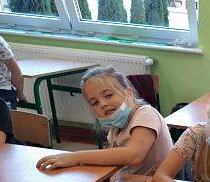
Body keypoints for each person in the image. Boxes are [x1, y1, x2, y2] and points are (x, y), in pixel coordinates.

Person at [36, 67, 173, 175]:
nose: (102, 104)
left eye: (108, 95)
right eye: (94, 103)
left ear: (129, 93)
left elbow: (134, 155)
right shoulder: (116, 128)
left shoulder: (146, 114)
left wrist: (75, 157)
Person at [0, 33, 26, 109]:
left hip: (2, 91)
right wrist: (20, 94)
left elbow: (15, 72)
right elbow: (16, 72)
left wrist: (20, 94)